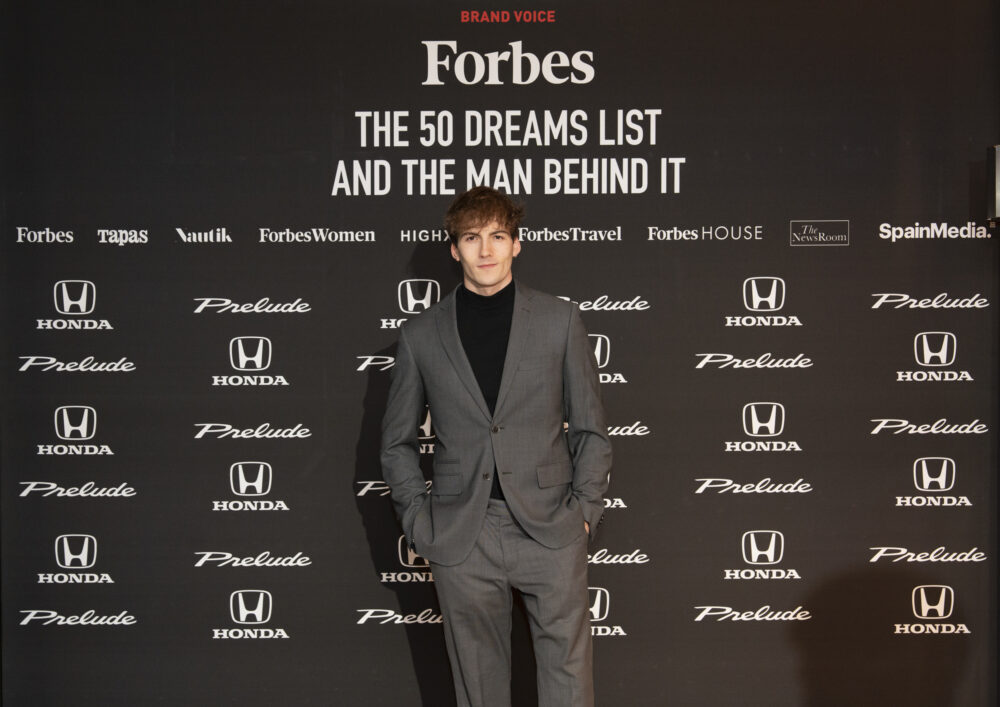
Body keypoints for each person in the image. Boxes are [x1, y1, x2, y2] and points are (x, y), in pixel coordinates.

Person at [380, 186, 612, 707]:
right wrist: (419, 521)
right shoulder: (420, 335)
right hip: (463, 534)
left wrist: (583, 513)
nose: (485, 250)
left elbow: (592, 430)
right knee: (478, 690)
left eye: (497, 236)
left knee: (569, 683)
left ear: (516, 245)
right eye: (471, 238)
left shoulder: (559, 321)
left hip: (552, 525)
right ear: (454, 249)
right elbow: (396, 443)